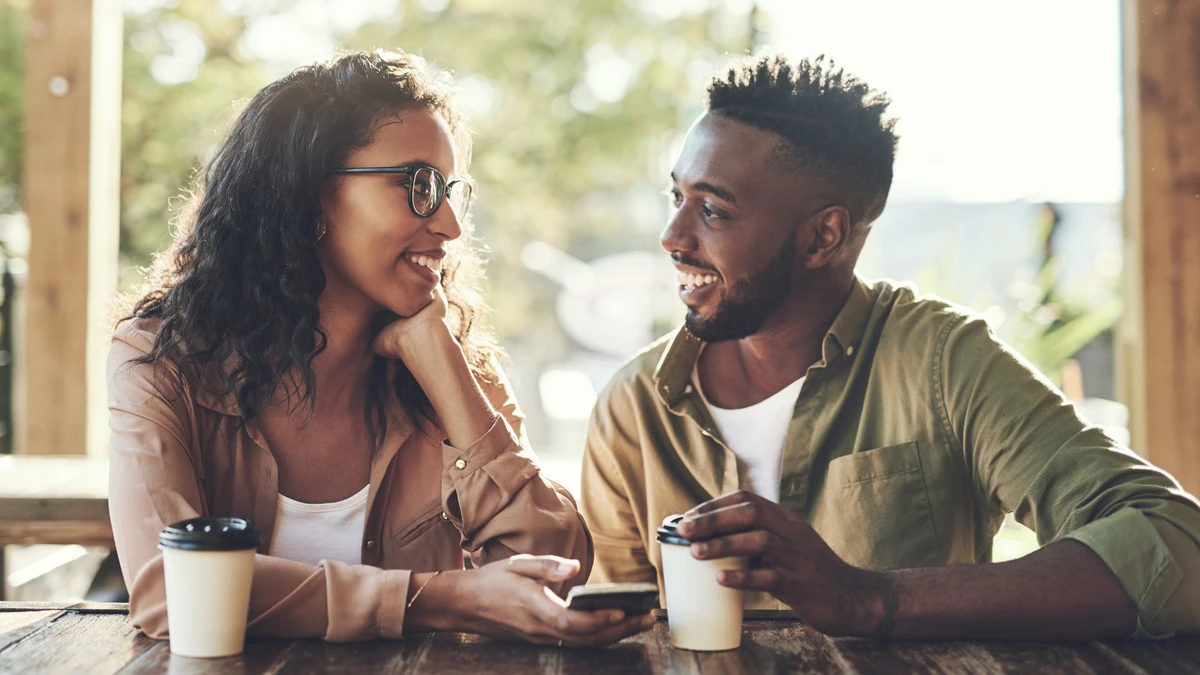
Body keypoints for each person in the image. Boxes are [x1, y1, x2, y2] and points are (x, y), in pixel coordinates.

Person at [581, 53, 1200, 640]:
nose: (672, 236)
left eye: (714, 210)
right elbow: (621, 634)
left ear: (823, 237)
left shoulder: (943, 364)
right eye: (677, 197)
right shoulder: (636, 405)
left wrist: (870, 598)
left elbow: (1177, 544)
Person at [108, 50, 654, 647]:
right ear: (309, 195)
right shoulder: (163, 361)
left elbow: (553, 572)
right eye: (418, 186)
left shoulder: (453, 365)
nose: (450, 225)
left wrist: (440, 359)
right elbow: (172, 589)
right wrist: (439, 599)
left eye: (449, 191)